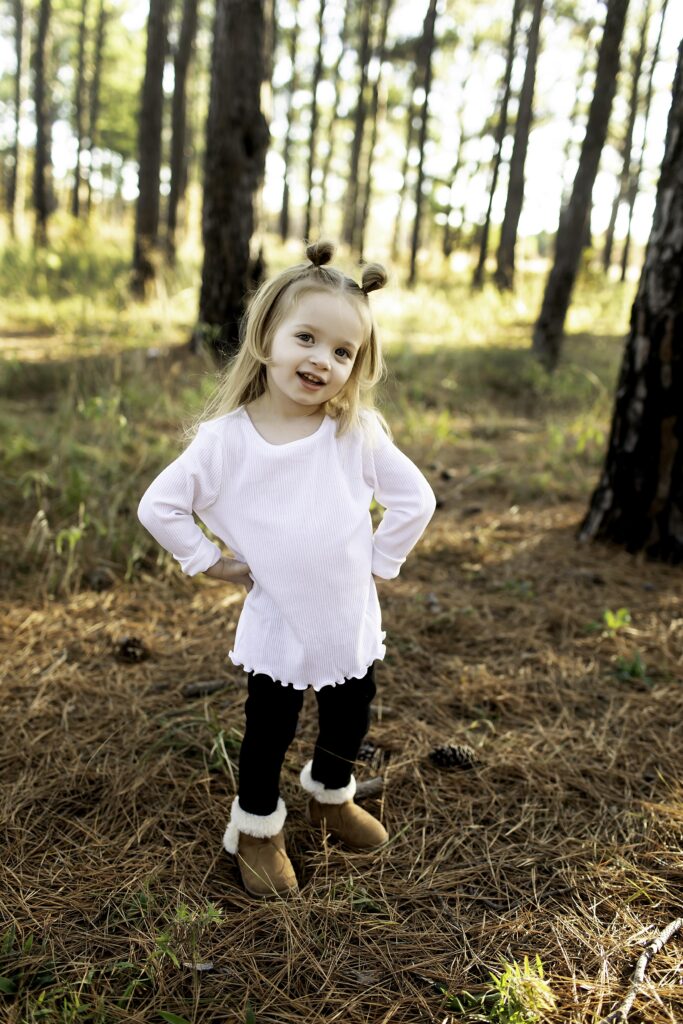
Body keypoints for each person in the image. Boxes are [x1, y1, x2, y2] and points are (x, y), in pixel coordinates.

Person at [138, 241, 436, 897]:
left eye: (341, 352)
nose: (320, 360)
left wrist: (379, 563)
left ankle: (330, 797)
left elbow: (417, 499)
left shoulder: (354, 432)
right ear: (266, 335)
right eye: (306, 337)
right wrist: (210, 562)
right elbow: (158, 506)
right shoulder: (226, 440)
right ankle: (256, 829)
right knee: (267, 728)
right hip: (277, 618)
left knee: (349, 715)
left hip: (348, 615)